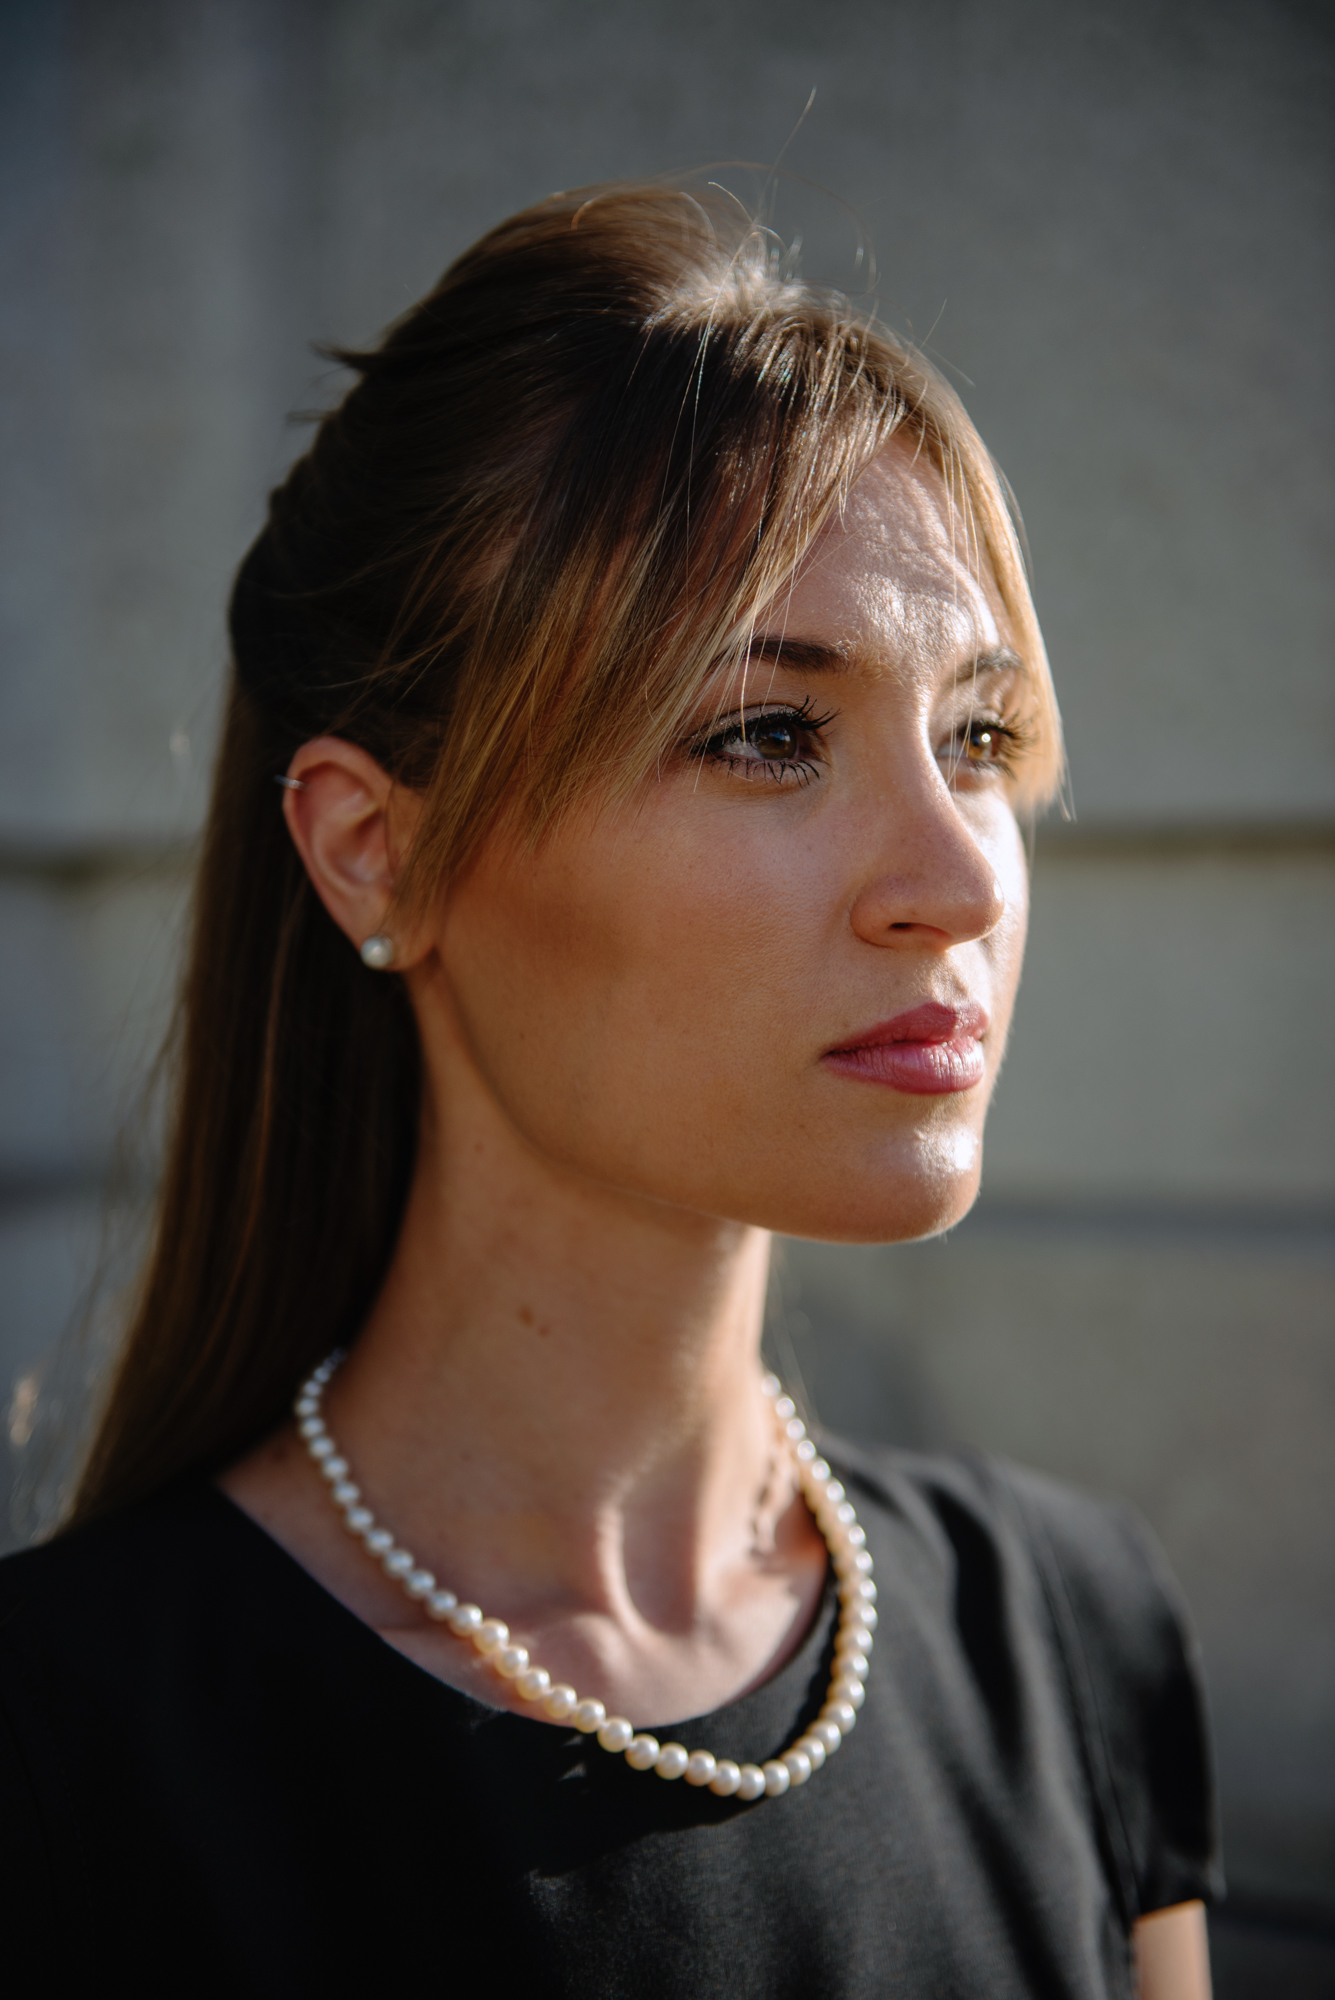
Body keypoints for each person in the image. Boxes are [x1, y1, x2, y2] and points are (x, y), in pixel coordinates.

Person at [0, 182, 1218, 1997]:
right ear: (373, 853)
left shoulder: (1066, 1630)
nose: (960, 879)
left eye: (975, 733)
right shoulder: (68, 1755)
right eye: (766, 734)